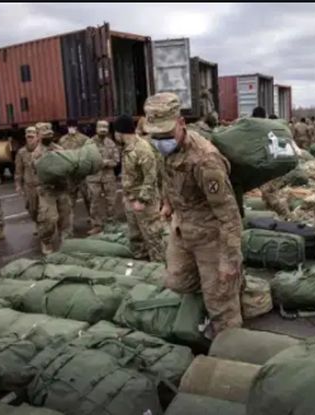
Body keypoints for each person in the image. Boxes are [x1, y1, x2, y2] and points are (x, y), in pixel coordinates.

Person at [144, 92, 244, 339]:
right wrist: (168, 203)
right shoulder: (165, 149)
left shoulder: (205, 161)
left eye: (166, 134)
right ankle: (218, 288)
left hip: (211, 236)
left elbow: (229, 215)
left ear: (181, 123)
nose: (161, 141)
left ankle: (227, 344)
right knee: (176, 282)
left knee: (221, 303)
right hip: (182, 229)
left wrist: (229, 260)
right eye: (156, 136)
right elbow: (168, 177)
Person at [114, 114, 166, 261]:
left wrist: (142, 200)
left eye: (115, 131)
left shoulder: (142, 148)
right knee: (136, 237)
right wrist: (127, 198)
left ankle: (158, 266)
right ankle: (141, 265)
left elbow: (151, 177)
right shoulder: (127, 148)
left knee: (153, 237)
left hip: (145, 203)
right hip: (131, 199)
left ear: (120, 132)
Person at [33, 122, 72, 254]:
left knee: (65, 217)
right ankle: (46, 241)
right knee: (49, 219)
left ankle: (65, 242)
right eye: (45, 135)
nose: (48, 137)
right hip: (47, 190)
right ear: (39, 135)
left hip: (62, 188)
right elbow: (37, 170)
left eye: (49, 134)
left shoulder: (59, 149)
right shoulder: (36, 152)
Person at [86, 120, 120, 235]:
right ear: (96, 129)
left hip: (108, 177)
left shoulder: (111, 143)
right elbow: (85, 161)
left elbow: (116, 160)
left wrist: (105, 163)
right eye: (100, 128)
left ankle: (111, 224)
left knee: (111, 202)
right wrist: (98, 163)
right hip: (93, 178)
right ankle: (97, 225)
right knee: (94, 202)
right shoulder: (89, 143)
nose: (103, 131)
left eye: (105, 128)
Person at [59, 118, 90, 228]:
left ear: (77, 127)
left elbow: (89, 154)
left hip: (82, 174)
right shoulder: (62, 140)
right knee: (70, 201)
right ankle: (69, 223)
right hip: (70, 175)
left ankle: (93, 219)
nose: (71, 128)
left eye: (73, 126)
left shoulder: (84, 139)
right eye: (69, 126)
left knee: (88, 198)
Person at [15, 126, 40, 234]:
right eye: (28, 137)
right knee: (32, 209)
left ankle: (44, 229)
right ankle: (38, 224)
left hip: (42, 186)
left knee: (45, 210)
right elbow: (19, 170)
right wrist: (18, 185)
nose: (30, 139)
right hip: (29, 187)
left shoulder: (43, 150)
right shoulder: (21, 152)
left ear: (37, 137)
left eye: (32, 136)